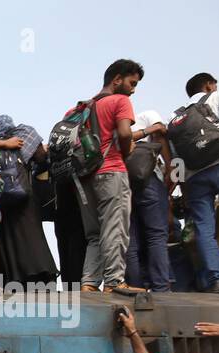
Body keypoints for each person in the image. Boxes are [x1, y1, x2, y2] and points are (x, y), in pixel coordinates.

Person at [71, 59, 146, 295]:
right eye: (132, 83)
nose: (133, 89)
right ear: (117, 79)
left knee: (95, 234)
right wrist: (127, 149)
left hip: (82, 178)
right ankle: (114, 282)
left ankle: (89, 283)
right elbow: (124, 133)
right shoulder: (120, 101)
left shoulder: (78, 109)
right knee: (115, 228)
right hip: (111, 170)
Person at [0, 114, 58, 288]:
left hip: (0, 203)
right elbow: (40, 156)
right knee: (32, 240)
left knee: (6, 241)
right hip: (24, 201)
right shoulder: (23, 135)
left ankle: (8, 279)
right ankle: (40, 278)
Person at [175, 73, 219, 293]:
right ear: (209, 85)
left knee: (204, 229)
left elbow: (176, 156)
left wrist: (183, 186)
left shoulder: (177, 115)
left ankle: (217, 281)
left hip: (194, 176)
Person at [124, 110, 173, 292]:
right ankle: (161, 288)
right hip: (148, 179)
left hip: (123, 182)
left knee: (130, 240)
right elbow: (160, 137)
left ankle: (135, 288)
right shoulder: (149, 115)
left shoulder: (114, 126)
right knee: (156, 235)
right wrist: (170, 167)